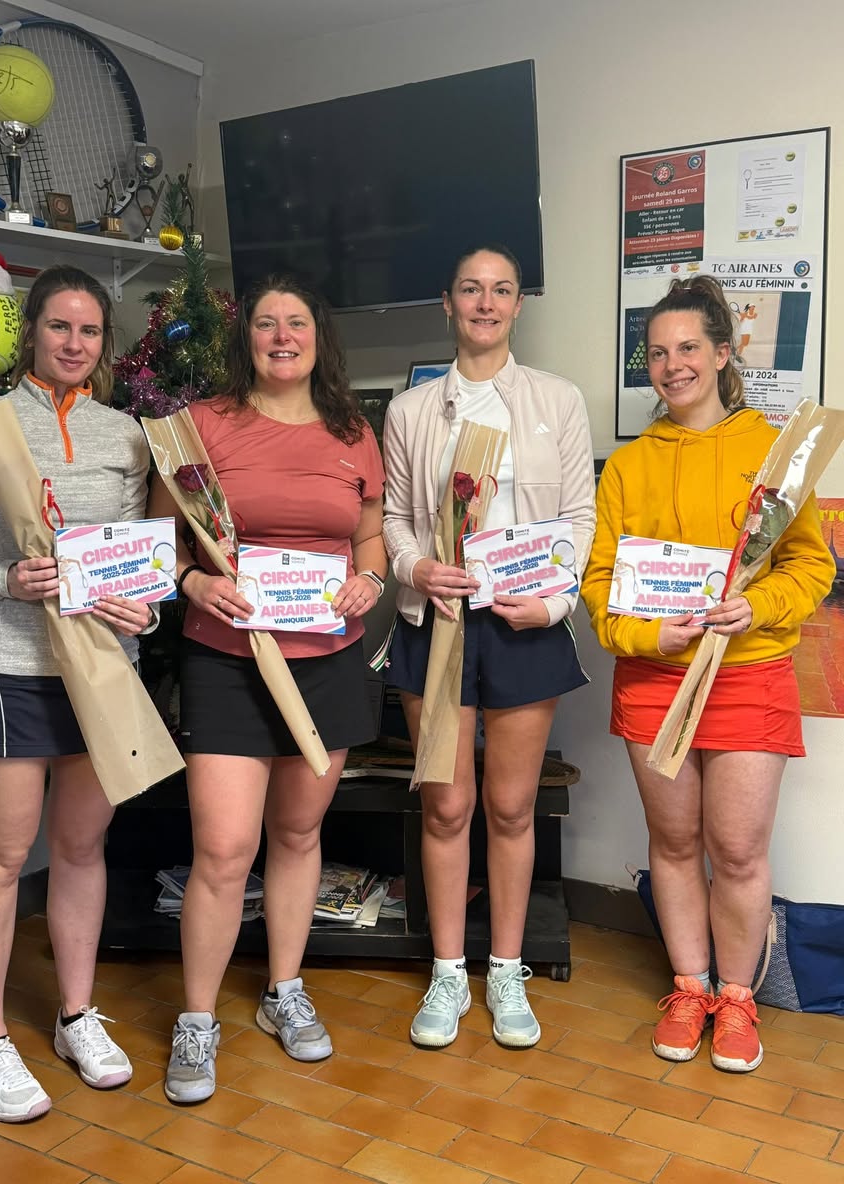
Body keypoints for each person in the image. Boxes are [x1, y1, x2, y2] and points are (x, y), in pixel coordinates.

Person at [582, 275, 834, 1074]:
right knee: (674, 841)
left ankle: (737, 997)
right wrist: (649, 634)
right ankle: (689, 987)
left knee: (738, 849)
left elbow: (811, 567)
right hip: (654, 679)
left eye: (689, 347)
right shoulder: (628, 467)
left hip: (749, 673)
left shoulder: (775, 452)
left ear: (724, 353)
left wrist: (754, 608)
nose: (673, 365)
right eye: (658, 353)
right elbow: (599, 586)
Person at [0, 264, 154, 1122]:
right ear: (32, 332)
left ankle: (75, 1015)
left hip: (103, 672)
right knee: (0, 859)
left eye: (89, 331)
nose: (74, 343)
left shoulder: (127, 435)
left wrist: (144, 610)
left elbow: (141, 557)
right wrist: (4, 580)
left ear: (104, 342)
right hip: (8, 666)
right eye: (60, 327)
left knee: (82, 849)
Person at [147, 273, 386, 1104]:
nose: (282, 336)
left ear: (319, 337)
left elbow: (369, 538)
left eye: (297, 323)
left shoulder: (353, 431)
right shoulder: (200, 426)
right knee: (222, 848)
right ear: (245, 337)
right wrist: (193, 582)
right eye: (266, 323)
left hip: (328, 659)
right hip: (227, 661)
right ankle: (197, 1019)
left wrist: (369, 581)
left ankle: (284, 989)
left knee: (297, 832)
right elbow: (162, 542)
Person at [382, 245, 596, 1049]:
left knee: (510, 807)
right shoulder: (411, 410)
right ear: (448, 302)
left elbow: (580, 515)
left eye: (500, 290)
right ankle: (447, 970)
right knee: (447, 805)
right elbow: (393, 519)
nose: (485, 303)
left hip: (523, 622)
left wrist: (557, 599)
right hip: (436, 623)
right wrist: (415, 567)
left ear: (517, 306)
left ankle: (505, 969)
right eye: (470, 289)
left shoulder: (557, 400)